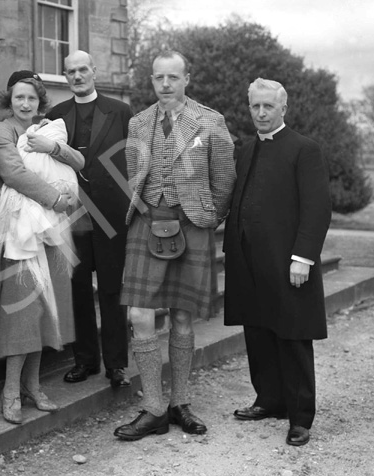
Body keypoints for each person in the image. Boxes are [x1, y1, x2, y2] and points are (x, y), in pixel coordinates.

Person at [113, 50, 236, 441]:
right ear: (151, 80)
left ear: (187, 78)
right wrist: (150, 208)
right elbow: (134, 175)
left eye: (173, 77)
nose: (165, 84)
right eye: (158, 78)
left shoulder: (210, 121)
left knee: (183, 316)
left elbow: (225, 179)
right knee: (140, 314)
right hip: (147, 223)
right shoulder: (138, 123)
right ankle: (153, 407)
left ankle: (180, 401)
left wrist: (206, 217)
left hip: (192, 225)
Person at [223, 78, 331, 446]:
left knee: (292, 334)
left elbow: (317, 209)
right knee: (258, 331)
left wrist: (303, 257)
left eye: (269, 106)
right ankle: (269, 400)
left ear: (283, 108)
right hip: (249, 261)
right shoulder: (247, 149)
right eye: (255, 106)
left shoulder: (304, 149)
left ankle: (300, 417)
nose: (261, 113)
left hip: (288, 262)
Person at [0, 70, 84, 424]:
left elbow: (79, 161)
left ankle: (33, 386)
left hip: (53, 230)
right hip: (19, 229)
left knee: (45, 305)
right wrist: (57, 197)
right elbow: (13, 174)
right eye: (19, 97)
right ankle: (10, 390)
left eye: (32, 98)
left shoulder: (49, 129)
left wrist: (54, 148)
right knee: (21, 309)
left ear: (41, 101)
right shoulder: (1, 131)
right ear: (9, 99)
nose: (26, 104)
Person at [45, 50, 133, 388]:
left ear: (94, 71)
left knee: (112, 290)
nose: (78, 76)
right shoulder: (56, 114)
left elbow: (135, 160)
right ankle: (85, 361)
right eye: (71, 72)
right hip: (72, 215)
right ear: (65, 76)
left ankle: (116, 365)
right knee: (77, 289)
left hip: (112, 214)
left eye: (83, 70)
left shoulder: (121, 111)